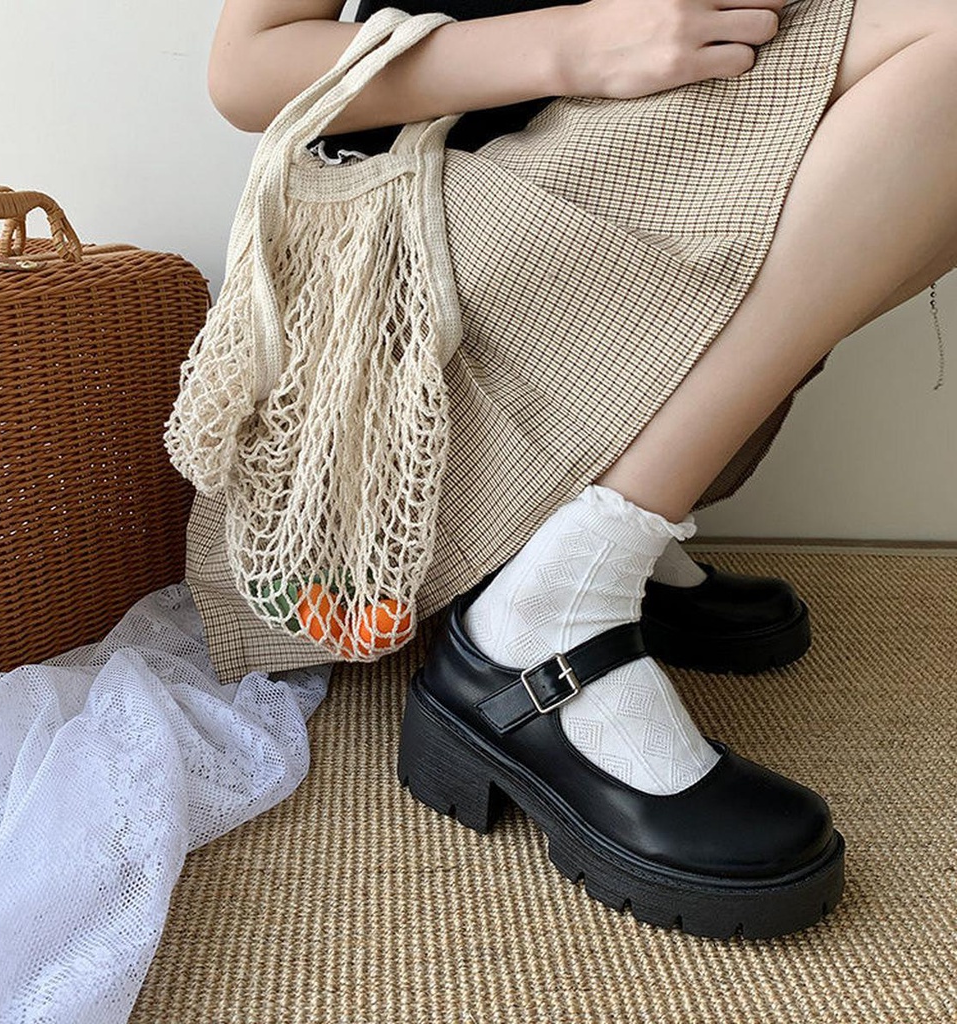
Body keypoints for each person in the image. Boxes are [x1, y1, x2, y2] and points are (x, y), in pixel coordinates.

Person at [205, 0, 957, 938]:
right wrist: (579, 44)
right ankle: (548, 610)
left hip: (570, 205)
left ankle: (575, 530)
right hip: (412, 295)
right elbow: (248, 70)